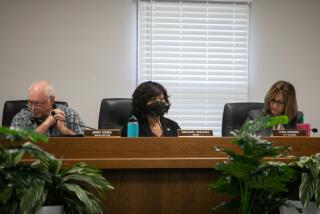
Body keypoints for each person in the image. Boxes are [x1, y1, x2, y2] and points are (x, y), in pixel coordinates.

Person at [11, 81, 85, 136]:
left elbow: (85, 145)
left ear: (52, 100)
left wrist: (64, 130)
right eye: (30, 102)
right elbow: (18, 147)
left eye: (38, 104)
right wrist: (47, 123)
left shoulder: (71, 114)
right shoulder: (20, 118)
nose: (32, 108)